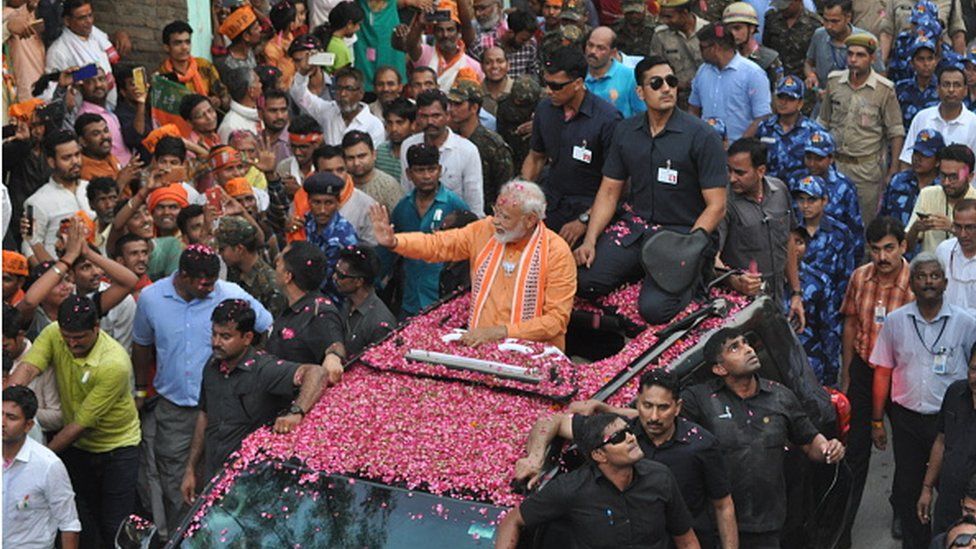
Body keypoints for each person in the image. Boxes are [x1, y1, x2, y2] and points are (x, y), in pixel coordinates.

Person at [575, 56, 727, 325]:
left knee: (655, 311)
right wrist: (590, 239)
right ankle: (643, 274)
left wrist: (689, 248)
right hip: (637, 228)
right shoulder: (626, 131)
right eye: (656, 83)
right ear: (640, 92)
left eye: (671, 81)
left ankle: (696, 282)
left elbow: (717, 205)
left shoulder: (702, 136)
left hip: (682, 233)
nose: (666, 88)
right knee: (585, 283)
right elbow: (609, 191)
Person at [131, 245, 273, 533]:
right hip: (176, 410)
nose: (210, 288)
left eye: (213, 281)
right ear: (183, 276)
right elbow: (142, 345)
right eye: (203, 283)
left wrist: (244, 373)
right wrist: (141, 390)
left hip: (225, 410)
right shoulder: (151, 298)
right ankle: (184, 536)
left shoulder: (229, 292)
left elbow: (266, 327)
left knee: (225, 479)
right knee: (176, 481)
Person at [513, 370, 740, 548]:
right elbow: (550, 422)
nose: (653, 417)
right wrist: (534, 459)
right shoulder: (618, 433)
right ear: (637, 402)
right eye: (647, 405)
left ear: (677, 407)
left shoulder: (701, 444)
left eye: (663, 408)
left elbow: (723, 506)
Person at [682, 328, 846, 547]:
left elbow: (808, 441)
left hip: (769, 526)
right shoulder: (700, 399)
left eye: (745, 343)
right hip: (717, 527)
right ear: (719, 368)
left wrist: (829, 449)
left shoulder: (780, 396)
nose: (748, 349)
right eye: (734, 347)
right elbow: (662, 411)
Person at [371, 180, 576, 349]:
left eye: (505, 217)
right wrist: (396, 242)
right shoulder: (485, 230)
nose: (496, 221)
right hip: (480, 347)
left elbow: (556, 321)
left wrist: (501, 332)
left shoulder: (556, 252)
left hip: (535, 355)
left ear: (530, 220)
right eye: (496, 211)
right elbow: (439, 244)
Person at [6, 294, 141, 547]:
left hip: (117, 449)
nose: (71, 343)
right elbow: (28, 368)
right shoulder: (54, 332)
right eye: (67, 336)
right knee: (79, 521)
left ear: (96, 329)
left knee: (115, 525)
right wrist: (7, 400)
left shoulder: (114, 363)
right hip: (77, 449)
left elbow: (80, 425)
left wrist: (37, 459)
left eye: (79, 338)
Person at [871, 253, 976, 549]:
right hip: (906, 422)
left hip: (952, 423)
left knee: (953, 488)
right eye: (921, 276)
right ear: (911, 282)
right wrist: (877, 420)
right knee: (909, 489)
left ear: (944, 282)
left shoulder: (966, 323)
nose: (928, 282)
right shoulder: (895, 321)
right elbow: (882, 370)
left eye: (934, 276)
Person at [180, 299, 327, 499]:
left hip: (248, 487)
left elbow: (317, 373)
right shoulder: (213, 366)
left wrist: (296, 412)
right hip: (212, 479)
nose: (216, 342)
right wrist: (190, 469)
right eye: (214, 334)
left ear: (247, 337)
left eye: (225, 336)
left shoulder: (264, 369)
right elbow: (204, 417)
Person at [495, 413, 700, 549]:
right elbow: (512, 521)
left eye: (629, 431)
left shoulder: (660, 477)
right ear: (599, 455)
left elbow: (685, 538)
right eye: (618, 437)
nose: (630, 438)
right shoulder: (571, 489)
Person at [837, 216, 916, 547]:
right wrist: (846, 372)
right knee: (854, 450)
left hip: (902, 375)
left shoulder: (917, 283)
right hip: (864, 370)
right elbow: (852, 324)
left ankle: (902, 507)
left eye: (889, 249)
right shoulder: (860, 277)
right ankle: (843, 524)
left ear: (903, 247)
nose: (882, 257)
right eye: (875, 250)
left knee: (907, 450)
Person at [522, 46, 621, 241]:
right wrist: (521, 194)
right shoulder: (545, 109)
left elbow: (615, 186)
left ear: (578, 83)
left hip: (588, 206)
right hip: (551, 200)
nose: (549, 91)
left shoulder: (607, 120)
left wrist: (585, 221)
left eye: (557, 86)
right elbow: (536, 157)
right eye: (546, 83)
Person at [817, 31, 905, 227]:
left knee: (864, 225)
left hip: (866, 170)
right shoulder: (834, 82)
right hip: (835, 165)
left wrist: (893, 170)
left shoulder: (884, 89)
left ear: (872, 58)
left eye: (860, 55)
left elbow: (896, 132)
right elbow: (823, 121)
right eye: (850, 54)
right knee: (831, 221)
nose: (853, 60)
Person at [718, 138, 803, 315]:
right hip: (741, 304)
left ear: (761, 171)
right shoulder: (724, 202)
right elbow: (712, 257)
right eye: (729, 170)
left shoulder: (779, 191)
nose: (732, 178)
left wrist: (796, 293)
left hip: (777, 296)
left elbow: (788, 241)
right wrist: (735, 281)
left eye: (740, 173)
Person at [390, 143, 470, 316]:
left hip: (444, 301)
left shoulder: (454, 205)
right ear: (409, 174)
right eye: (419, 170)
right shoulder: (402, 208)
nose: (426, 176)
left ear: (440, 170)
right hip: (410, 299)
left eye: (431, 169)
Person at [1, 386, 81, 549]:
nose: (2, 422)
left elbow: (69, 523)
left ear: (28, 425)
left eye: (11, 417)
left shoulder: (48, 465)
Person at [917, 347, 976, 536]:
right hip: (948, 502)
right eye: (974, 369)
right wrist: (927, 488)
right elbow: (941, 441)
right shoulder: (955, 393)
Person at [400, 89, 485, 216]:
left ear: (447, 115)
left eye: (436, 116)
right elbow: (407, 190)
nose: (430, 122)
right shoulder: (408, 145)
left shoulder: (467, 150)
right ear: (417, 117)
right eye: (424, 116)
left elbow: (475, 202)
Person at [267, 241, 346, 365]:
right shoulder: (287, 303)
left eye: (280, 261)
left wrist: (334, 357)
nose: (276, 262)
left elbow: (335, 347)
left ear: (288, 276)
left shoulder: (320, 315)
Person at [689, 23, 772, 141]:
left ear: (715, 48)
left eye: (702, 47)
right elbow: (693, 108)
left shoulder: (753, 74)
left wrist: (739, 148)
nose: (700, 52)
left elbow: (762, 117)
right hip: (706, 150)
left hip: (739, 152)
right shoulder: (703, 71)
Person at [23, 130, 94, 261]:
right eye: (66, 158)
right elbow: (29, 248)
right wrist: (53, 276)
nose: (75, 162)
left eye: (77, 155)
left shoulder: (91, 188)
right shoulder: (37, 202)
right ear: (51, 162)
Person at [446, 79, 514, 211]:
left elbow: (505, 187)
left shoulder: (492, 145)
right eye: (450, 104)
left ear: (474, 108)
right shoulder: (449, 139)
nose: (452, 109)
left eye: (458, 104)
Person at [44, 0, 125, 109]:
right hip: (82, 115)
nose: (89, 21)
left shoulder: (97, 36)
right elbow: (52, 90)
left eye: (90, 15)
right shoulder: (58, 51)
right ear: (67, 21)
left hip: (108, 106)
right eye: (82, 18)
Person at [290, 57, 386, 147]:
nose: (343, 94)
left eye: (348, 88)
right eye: (339, 88)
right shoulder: (327, 111)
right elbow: (300, 97)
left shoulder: (374, 125)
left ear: (361, 93)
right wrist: (302, 73)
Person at [900, 66, 976, 170]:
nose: (951, 90)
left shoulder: (973, 123)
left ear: (965, 90)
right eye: (946, 84)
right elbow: (907, 159)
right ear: (937, 89)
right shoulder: (922, 117)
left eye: (957, 85)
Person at [804, 0, 884, 97]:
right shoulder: (819, 35)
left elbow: (880, 76)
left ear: (848, 18)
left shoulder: (866, 40)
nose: (829, 26)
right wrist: (811, 75)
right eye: (825, 20)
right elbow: (808, 63)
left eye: (835, 21)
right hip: (824, 102)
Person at [396, 4, 484, 92]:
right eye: (440, 30)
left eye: (450, 30)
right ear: (434, 32)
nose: (445, 35)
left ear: (458, 32)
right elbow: (411, 46)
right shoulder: (426, 54)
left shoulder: (474, 66)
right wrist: (420, 24)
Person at [300, 172, 359, 303]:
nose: (322, 210)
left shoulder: (343, 237)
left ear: (338, 202)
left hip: (335, 304)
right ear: (308, 201)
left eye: (328, 203)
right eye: (316, 202)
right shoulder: (308, 222)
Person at [906, 144, 976, 254]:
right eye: (943, 176)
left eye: (954, 177)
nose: (946, 182)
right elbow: (906, 248)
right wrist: (915, 229)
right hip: (930, 268)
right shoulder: (927, 194)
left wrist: (953, 228)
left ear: (970, 177)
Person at [756, 75, 827, 181]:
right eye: (780, 97)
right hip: (771, 191)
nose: (783, 102)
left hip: (802, 192)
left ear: (800, 103)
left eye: (790, 98)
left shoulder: (814, 131)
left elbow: (824, 167)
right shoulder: (764, 128)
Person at [215, 216, 286, 317]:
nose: (219, 253)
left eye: (222, 249)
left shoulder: (270, 287)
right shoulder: (234, 271)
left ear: (239, 249)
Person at [334, 245, 397, 355]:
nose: (334, 277)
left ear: (359, 281)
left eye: (341, 275)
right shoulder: (348, 302)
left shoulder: (379, 324)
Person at [648, 0, 708, 109]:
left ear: (685, 13)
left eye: (669, 16)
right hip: (676, 98)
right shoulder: (661, 35)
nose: (664, 21)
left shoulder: (706, 31)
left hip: (706, 96)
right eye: (662, 16)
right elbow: (655, 68)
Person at [882, 129, 945, 228]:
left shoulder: (943, 187)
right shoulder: (898, 181)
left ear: (938, 161)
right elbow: (883, 215)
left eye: (924, 155)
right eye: (915, 153)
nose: (917, 159)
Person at [156, 20, 226, 107]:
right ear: (167, 47)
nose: (184, 47)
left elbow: (225, 96)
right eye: (178, 43)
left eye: (187, 42)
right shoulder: (162, 77)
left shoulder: (204, 66)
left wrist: (218, 101)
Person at [583, 27, 646, 118]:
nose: (593, 51)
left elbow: (642, 115)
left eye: (600, 48)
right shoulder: (577, 74)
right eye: (590, 45)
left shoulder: (630, 77)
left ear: (613, 53)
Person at [74, 66, 131, 166]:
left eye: (101, 79)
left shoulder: (110, 110)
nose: (98, 85)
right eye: (90, 81)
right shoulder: (86, 117)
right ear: (81, 87)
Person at [342, 130, 404, 214]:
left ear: (374, 155)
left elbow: (400, 221)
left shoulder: (388, 186)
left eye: (361, 156)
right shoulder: (342, 184)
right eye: (350, 158)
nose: (356, 163)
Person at [723, 2, 782, 87]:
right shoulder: (723, 58)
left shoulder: (769, 60)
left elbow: (777, 94)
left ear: (751, 28)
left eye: (737, 28)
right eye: (728, 29)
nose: (733, 33)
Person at [763, 0, 819, 82]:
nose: (782, 9)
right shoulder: (771, 18)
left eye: (786, 5)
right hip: (776, 79)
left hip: (804, 81)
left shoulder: (815, 23)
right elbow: (766, 48)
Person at [896, 37, 941, 132]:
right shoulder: (900, 88)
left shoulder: (942, 87)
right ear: (912, 63)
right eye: (921, 59)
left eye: (930, 59)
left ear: (936, 61)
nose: (926, 64)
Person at [215, 5, 261, 81]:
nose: (260, 29)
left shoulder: (250, 50)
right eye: (256, 28)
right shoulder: (228, 64)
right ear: (246, 36)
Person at [217, 68, 263, 143]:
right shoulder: (230, 125)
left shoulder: (262, 113)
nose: (261, 85)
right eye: (258, 82)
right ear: (251, 90)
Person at [376, 98, 416, 181]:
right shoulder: (380, 151)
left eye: (400, 122)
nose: (394, 128)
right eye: (389, 123)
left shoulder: (417, 153)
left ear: (412, 124)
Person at [75, 113, 120, 181]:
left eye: (106, 131)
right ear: (83, 141)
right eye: (96, 134)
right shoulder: (85, 172)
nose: (104, 136)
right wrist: (122, 181)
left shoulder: (109, 156)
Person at [498, 10, 541, 79]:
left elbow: (532, 73)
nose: (526, 43)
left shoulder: (531, 45)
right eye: (523, 40)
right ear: (511, 33)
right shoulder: (489, 45)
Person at [480, 47, 512, 116]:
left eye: (500, 61)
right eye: (488, 62)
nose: (494, 66)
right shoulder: (476, 94)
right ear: (482, 67)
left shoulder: (518, 90)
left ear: (508, 65)